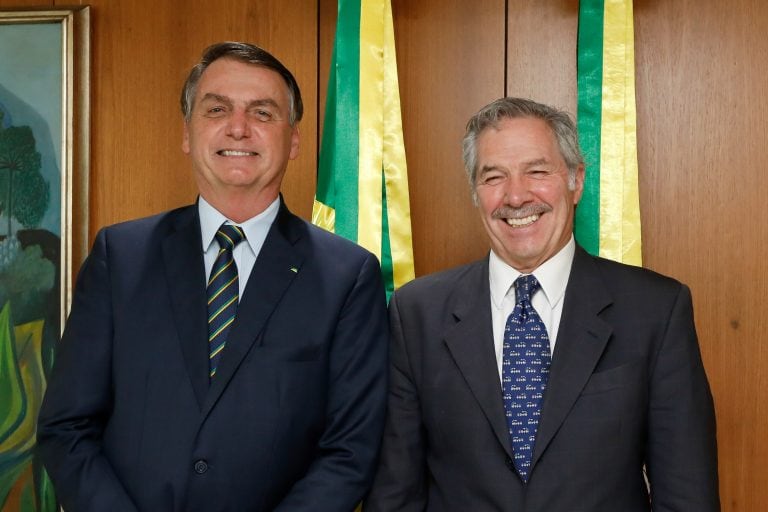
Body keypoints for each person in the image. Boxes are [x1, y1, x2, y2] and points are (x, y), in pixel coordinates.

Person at [37, 41, 389, 512]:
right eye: (217, 109)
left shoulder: (348, 275)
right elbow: (67, 428)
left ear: (295, 140)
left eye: (262, 113)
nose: (238, 128)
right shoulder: (119, 257)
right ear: (187, 132)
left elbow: (350, 451)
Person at [364, 97, 719, 511]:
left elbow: (687, 494)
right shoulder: (417, 313)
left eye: (536, 171)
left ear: (575, 181)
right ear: (476, 194)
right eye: (493, 176)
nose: (516, 196)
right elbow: (395, 494)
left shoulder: (656, 309)